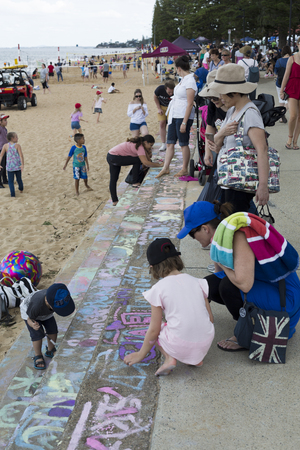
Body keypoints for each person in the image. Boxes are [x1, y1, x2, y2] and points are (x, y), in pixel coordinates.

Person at [177, 201, 300, 352]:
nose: (193, 239)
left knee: (228, 287)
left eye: (192, 234)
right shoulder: (224, 233)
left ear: (205, 229)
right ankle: (246, 319)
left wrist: (221, 264)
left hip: (285, 302)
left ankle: (245, 335)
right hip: (271, 286)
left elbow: (244, 284)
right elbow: (217, 276)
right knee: (208, 284)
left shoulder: (238, 235)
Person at [123, 238, 214, 376]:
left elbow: (154, 331)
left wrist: (141, 354)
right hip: (206, 341)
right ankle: (195, 359)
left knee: (158, 326)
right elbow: (210, 318)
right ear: (178, 258)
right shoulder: (198, 282)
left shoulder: (158, 289)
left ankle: (170, 358)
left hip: (180, 343)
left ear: (152, 267)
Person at [207, 63, 269, 212]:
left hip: (241, 182)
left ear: (233, 92)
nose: (220, 98)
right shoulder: (232, 110)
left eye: (222, 93)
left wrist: (263, 186)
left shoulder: (250, 113)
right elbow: (217, 140)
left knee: (238, 224)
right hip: (230, 179)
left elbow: (262, 150)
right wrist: (220, 137)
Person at [156, 55, 197, 178]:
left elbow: (190, 103)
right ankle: (166, 167)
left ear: (179, 68)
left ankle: (184, 168)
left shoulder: (190, 80)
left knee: (183, 143)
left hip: (182, 115)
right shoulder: (182, 80)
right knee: (170, 142)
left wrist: (185, 122)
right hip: (174, 114)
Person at [20, 282, 75, 369]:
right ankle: (38, 355)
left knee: (53, 329)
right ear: (47, 301)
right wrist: (33, 325)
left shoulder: (54, 297)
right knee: (37, 334)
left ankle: (50, 350)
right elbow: (29, 319)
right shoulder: (36, 305)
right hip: (30, 314)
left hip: (46, 313)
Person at [106, 135, 163, 206]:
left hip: (110, 155)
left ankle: (115, 201)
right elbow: (146, 162)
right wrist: (159, 165)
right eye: (150, 145)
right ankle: (135, 182)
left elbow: (148, 160)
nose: (151, 147)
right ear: (145, 142)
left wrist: (150, 155)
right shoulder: (140, 147)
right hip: (114, 157)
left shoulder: (139, 144)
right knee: (137, 160)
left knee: (113, 179)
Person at [280, 38, 300, 150]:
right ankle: (289, 138)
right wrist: (281, 90)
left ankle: (295, 141)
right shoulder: (292, 58)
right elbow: (286, 76)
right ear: (297, 44)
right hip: (293, 87)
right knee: (293, 115)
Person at [0, 132, 24, 197]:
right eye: (16, 137)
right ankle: (21, 189)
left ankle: (12, 195)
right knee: (19, 179)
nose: (17, 138)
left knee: (10, 181)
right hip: (17, 166)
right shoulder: (17, 146)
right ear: (12, 138)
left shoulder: (5, 146)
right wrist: (22, 164)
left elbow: (1, 155)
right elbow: (21, 155)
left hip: (10, 167)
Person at [153, 80, 175, 151]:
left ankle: (171, 143)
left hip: (171, 107)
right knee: (162, 123)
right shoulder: (159, 89)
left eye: (172, 92)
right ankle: (163, 143)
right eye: (169, 92)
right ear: (165, 89)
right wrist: (159, 108)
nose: (171, 94)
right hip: (162, 106)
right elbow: (155, 97)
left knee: (170, 124)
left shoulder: (176, 91)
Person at [274, 45, 291, 124]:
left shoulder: (279, 61)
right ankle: (283, 113)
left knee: (281, 100)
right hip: (289, 82)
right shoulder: (292, 59)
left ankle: (281, 117)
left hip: (279, 82)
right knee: (289, 100)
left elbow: (275, 72)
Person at [0, 114, 9, 188]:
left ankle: (5, 180)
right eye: (4, 120)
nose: (6, 122)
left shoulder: (5, 129)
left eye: (6, 120)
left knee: (5, 165)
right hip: (0, 150)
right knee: (1, 166)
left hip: (5, 149)